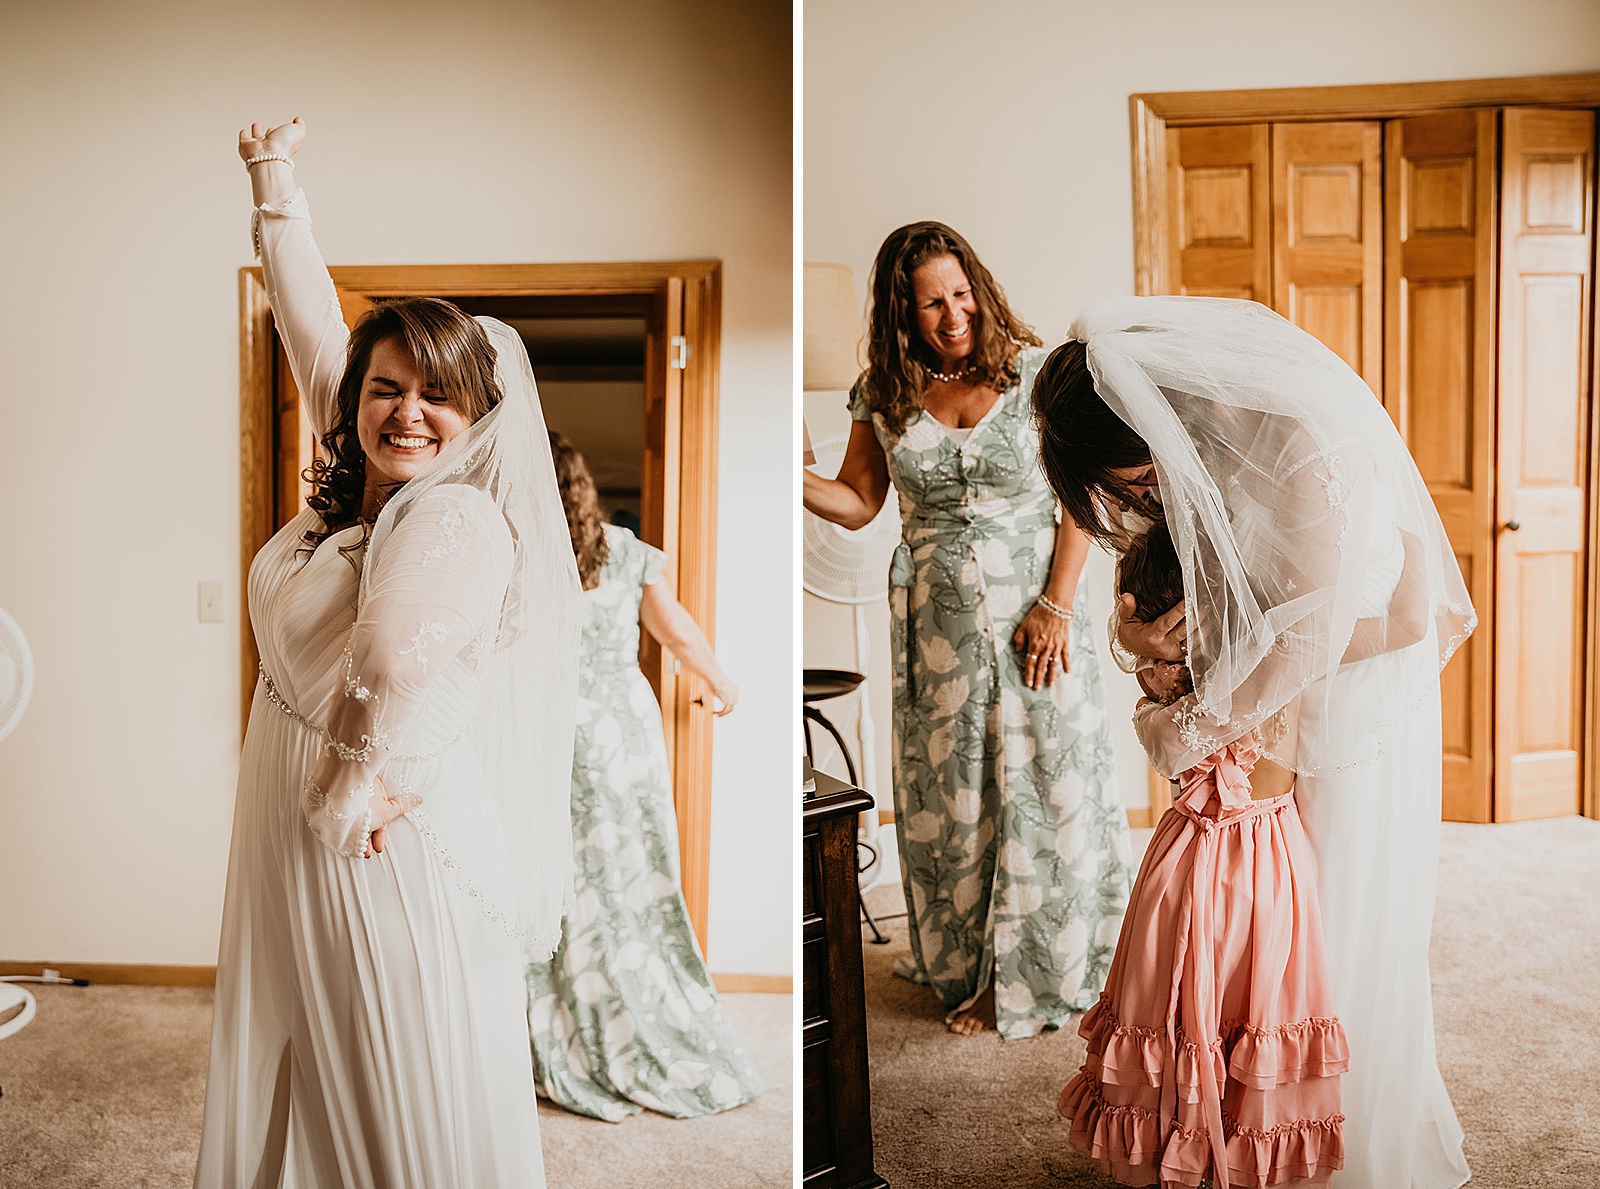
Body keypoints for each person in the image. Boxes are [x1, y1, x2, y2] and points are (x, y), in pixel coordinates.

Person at [195, 118, 580, 1188]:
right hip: (306, 808)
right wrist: (275, 186)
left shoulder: (451, 515)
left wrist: (339, 785)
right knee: (302, 1044)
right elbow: (312, 324)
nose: (406, 410)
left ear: (477, 416)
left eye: (436, 393)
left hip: (377, 830)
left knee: (382, 1068)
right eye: (384, 386)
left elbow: (393, 661)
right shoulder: (365, 470)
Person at [1031, 296, 1474, 1189]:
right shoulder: (1209, 449)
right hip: (1267, 712)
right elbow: (1220, 606)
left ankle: (1326, 1136)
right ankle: (1240, 1127)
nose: (1142, 495)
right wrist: (1162, 654)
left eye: (1132, 477)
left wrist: (1182, 715)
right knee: (1260, 933)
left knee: (1328, 920)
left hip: (1337, 713)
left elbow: (1316, 635)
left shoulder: (1305, 441)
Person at [802, 222, 1133, 1038]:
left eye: (959, 294)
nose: (952, 316)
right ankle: (973, 965)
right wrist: (790, 479)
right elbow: (857, 501)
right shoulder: (880, 391)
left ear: (977, 288)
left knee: (1046, 784)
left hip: (1036, 621)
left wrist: (1057, 604)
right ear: (900, 314)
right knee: (959, 796)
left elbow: (1075, 497)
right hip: (933, 631)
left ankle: (1049, 965)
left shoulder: (1038, 374)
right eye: (929, 304)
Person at [1059, 520, 1348, 1189]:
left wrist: (1131, 646)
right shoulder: (1286, 654)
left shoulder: (1163, 689)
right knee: (1258, 1003)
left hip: (1189, 865)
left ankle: (1175, 1146)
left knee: (1175, 1005)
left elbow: (1167, 745)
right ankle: (1247, 1153)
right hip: (1270, 858)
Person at [526, 433, 763, 1121]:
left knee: (567, 874)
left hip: (554, 731)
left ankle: (570, 1009)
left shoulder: (516, 556)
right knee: (631, 865)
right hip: (624, 733)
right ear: (585, 486)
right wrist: (721, 679)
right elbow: (678, 634)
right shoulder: (624, 550)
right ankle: (638, 991)